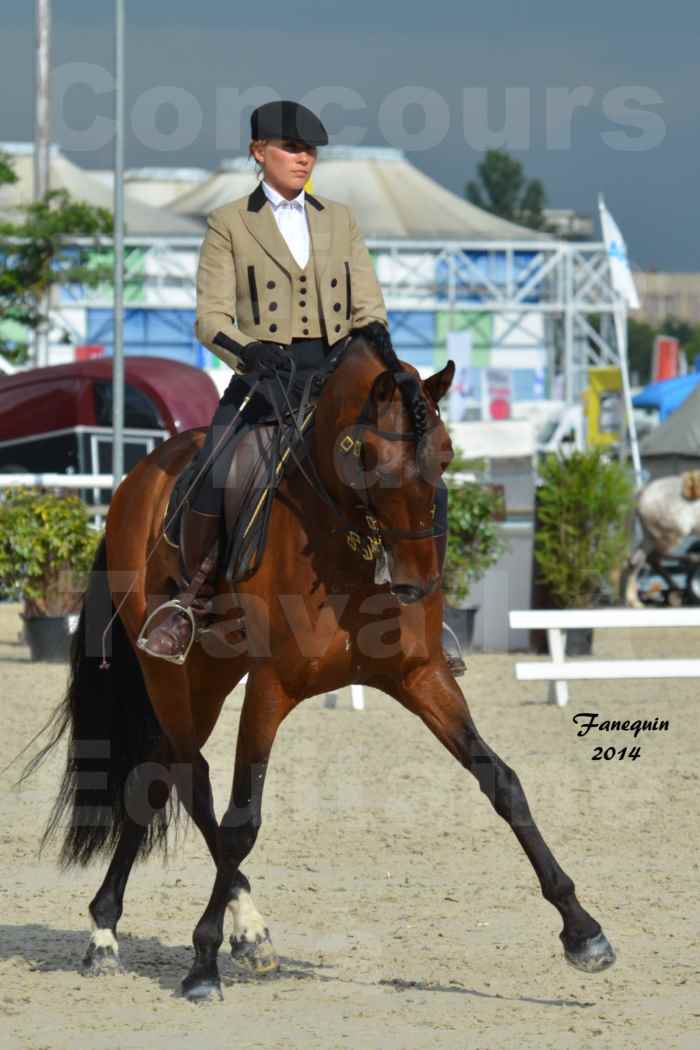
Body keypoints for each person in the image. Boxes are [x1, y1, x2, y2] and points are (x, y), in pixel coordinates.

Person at [143, 100, 464, 675]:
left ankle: (422, 606)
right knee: (218, 469)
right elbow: (210, 319)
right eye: (292, 149)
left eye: (310, 150)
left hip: (339, 380)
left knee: (414, 467)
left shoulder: (340, 219)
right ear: (258, 152)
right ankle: (186, 601)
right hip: (266, 378)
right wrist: (250, 352)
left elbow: (368, 304)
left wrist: (383, 359)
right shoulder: (229, 223)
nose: (303, 158)